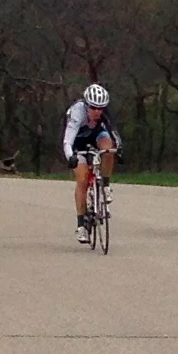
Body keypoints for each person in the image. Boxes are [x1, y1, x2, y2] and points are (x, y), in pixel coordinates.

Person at [61, 83, 121, 244]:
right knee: (82, 180)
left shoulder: (104, 113)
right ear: (87, 105)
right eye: (93, 108)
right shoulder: (77, 112)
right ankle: (81, 224)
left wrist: (118, 149)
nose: (97, 112)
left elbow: (113, 132)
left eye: (100, 108)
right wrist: (70, 157)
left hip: (96, 135)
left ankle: (106, 185)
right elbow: (67, 140)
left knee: (108, 150)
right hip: (77, 141)